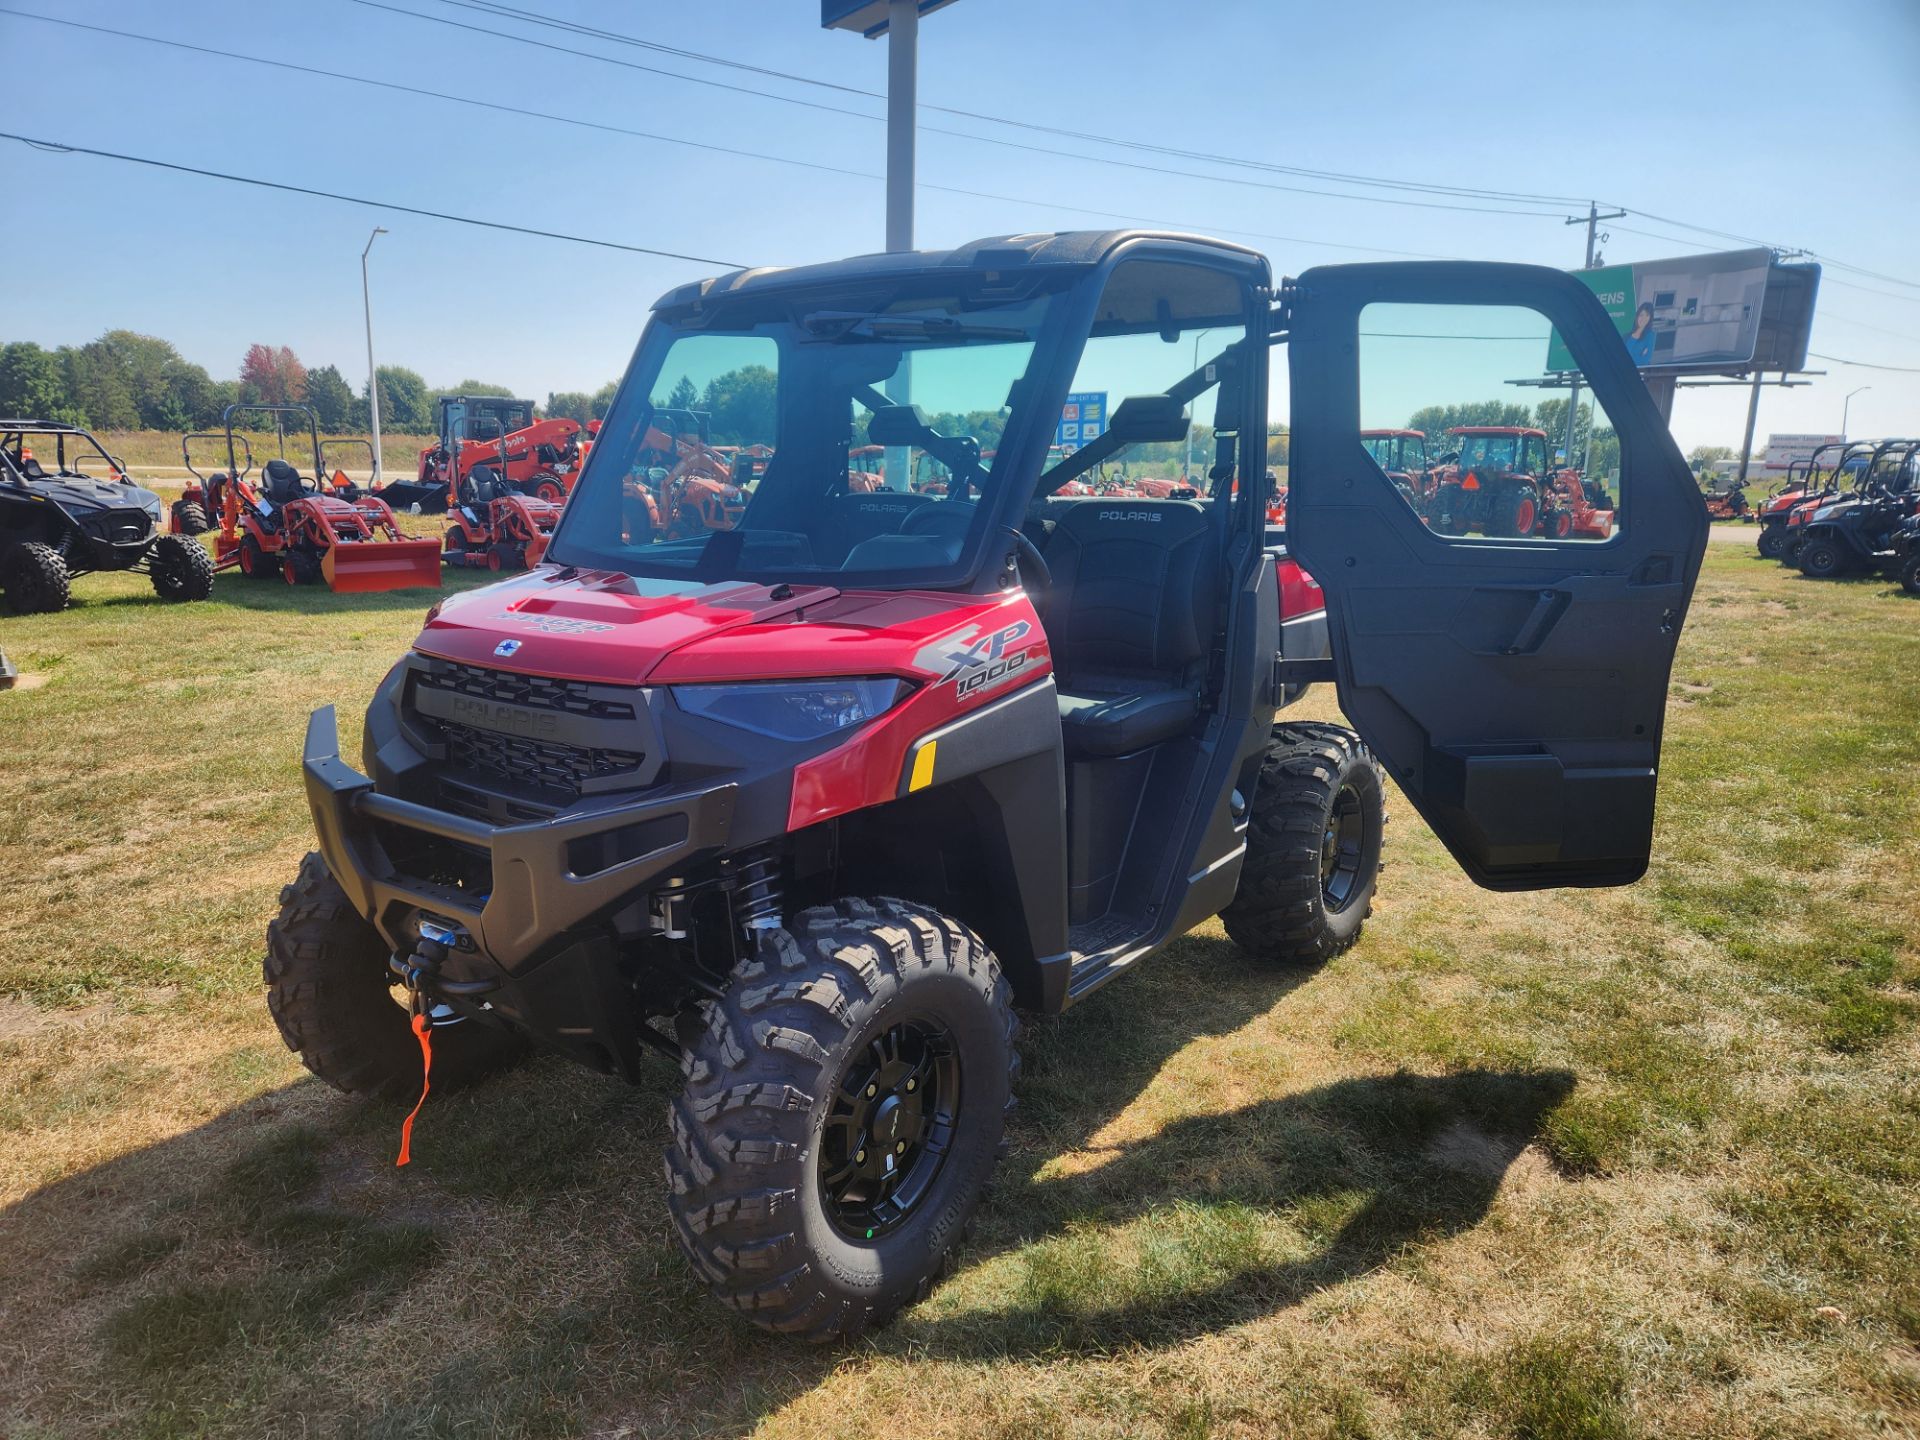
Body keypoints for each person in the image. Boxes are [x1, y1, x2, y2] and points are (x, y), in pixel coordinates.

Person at [1624, 302, 1656, 366]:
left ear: (1650, 318)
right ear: (1637, 316)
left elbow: (1645, 361)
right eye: (1641, 315)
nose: (1643, 319)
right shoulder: (1626, 336)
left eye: (1647, 315)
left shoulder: (1650, 336)